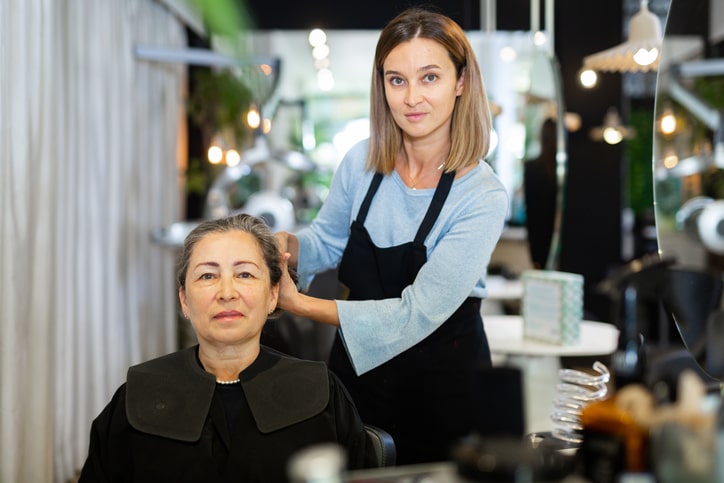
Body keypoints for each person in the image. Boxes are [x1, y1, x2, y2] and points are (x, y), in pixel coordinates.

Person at [275, 7, 509, 465]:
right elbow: (326, 240)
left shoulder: (481, 195)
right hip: (356, 380)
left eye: (429, 78)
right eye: (396, 80)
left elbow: (415, 314)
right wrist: (286, 248)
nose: (411, 98)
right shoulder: (361, 160)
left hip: (442, 392)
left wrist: (297, 304)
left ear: (461, 82)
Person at [78, 213, 370, 482]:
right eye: (208, 275)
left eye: (245, 274)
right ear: (184, 300)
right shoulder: (138, 395)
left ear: (272, 295)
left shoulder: (320, 393)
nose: (227, 293)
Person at [524, 118, 559, 269]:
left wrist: (534, 254)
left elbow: (531, 214)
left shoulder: (532, 169)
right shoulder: (562, 172)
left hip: (540, 242)